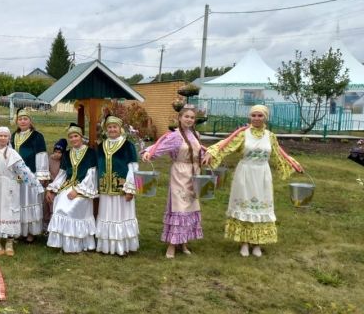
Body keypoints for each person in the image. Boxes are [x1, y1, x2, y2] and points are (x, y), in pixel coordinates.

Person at [203, 104, 303, 257]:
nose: (256, 118)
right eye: (253, 115)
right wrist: (211, 152)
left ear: (265, 118)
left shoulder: (270, 136)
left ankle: (256, 244)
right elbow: (227, 145)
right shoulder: (243, 134)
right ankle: (244, 242)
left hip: (262, 174)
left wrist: (293, 164)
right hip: (245, 173)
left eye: (260, 115)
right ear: (250, 117)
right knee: (245, 205)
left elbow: (279, 154)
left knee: (261, 207)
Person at [141, 105, 205, 259]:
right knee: (179, 207)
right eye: (186, 117)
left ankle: (183, 243)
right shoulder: (175, 136)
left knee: (190, 207)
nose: (189, 120)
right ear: (180, 118)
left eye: (191, 117)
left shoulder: (196, 134)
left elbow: (200, 152)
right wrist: (149, 152)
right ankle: (171, 245)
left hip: (194, 173)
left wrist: (206, 156)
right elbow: (160, 146)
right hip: (180, 173)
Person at [0, 127, 43, 256]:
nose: (3, 138)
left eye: (5, 136)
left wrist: (16, 181)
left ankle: (9, 243)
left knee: (10, 212)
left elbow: (23, 172)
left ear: (9, 138)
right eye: (0, 135)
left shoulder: (13, 154)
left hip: (10, 188)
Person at [46, 123, 98, 253]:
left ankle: (76, 245)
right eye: (71, 137)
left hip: (84, 189)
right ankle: (64, 243)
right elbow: (62, 174)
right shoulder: (67, 154)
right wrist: (51, 189)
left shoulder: (90, 153)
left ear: (81, 137)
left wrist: (78, 191)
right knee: (59, 204)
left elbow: (91, 174)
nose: (74, 139)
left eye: (76, 136)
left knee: (72, 208)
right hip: (68, 186)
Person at [95, 115, 140, 256]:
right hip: (105, 190)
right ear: (106, 129)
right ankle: (106, 246)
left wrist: (131, 189)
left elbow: (134, 167)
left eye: (115, 127)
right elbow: (97, 167)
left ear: (120, 129)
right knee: (107, 215)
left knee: (121, 216)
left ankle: (122, 247)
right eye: (109, 127)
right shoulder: (101, 146)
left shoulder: (128, 145)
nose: (112, 129)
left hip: (122, 189)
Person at [13, 107, 49, 241]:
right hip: (16, 177)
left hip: (31, 175)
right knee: (18, 203)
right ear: (16, 121)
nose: (22, 122)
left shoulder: (37, 137)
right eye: (20, 119)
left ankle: (30, 233)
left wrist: (41, 175)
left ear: (30, 121)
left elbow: (41, 156)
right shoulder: (13, 136)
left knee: (29, 201)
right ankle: (18, 231)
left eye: (25, 119)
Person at [42, 139, 67, 227]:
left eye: (60, 152)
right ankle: (46, 225)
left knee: (54, 207)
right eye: (55, 151)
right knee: (46, 206)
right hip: (49, 186)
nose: (57, 154)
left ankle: (54, 226)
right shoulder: (50, 159)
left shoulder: (64, 161)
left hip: (59, 188)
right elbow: (45, 172)